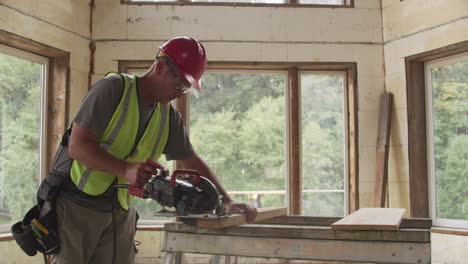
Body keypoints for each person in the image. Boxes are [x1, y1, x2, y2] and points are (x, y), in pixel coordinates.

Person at [49, 36, 258, 264]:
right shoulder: (112, 90)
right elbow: (78, 147)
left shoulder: (168, 117)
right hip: (76, 207)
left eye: (186, 89)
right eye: (179, 84)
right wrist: (126, 169)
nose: (180, 93)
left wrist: (225, 200)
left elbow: (191, 161)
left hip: (118, 210)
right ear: (159, 68)